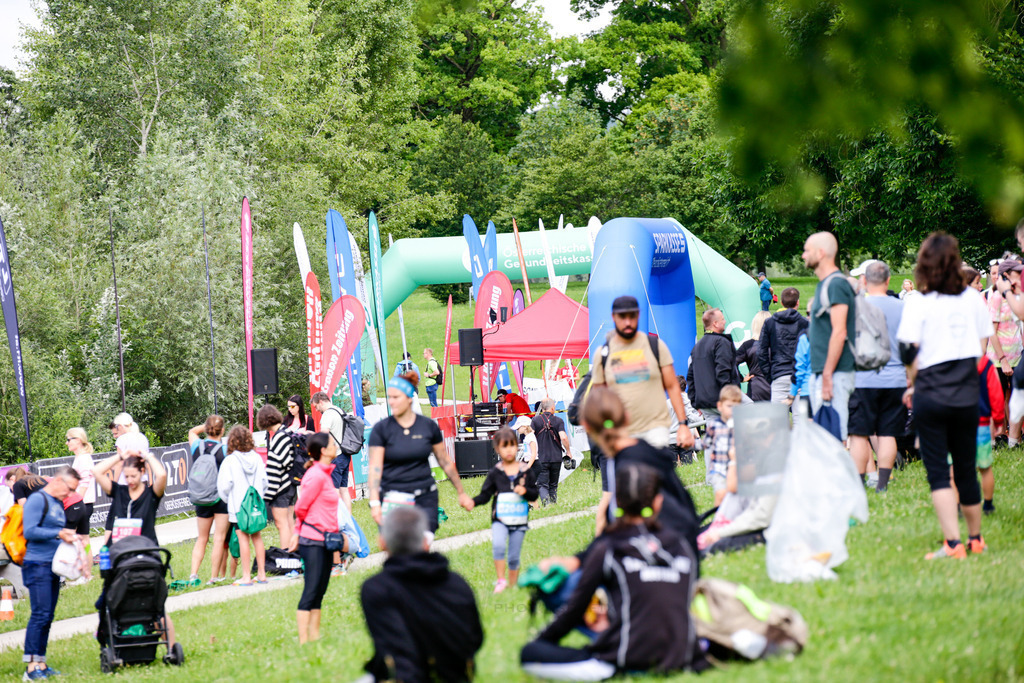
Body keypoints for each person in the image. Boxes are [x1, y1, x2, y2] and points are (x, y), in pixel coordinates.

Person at [520, 463, 704, 681]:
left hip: (629, 658)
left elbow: (575, 607)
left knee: (530, 654)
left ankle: (613, 648)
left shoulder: (609, 546)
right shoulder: (681, 544)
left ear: (617, 502)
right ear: (658, 502)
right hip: (682, 655)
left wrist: (542, 642)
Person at [897, 232, 993, 559]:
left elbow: (907, 351)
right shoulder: (972, 299)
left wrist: (914, 384)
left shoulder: (918, 303)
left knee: (938, 471)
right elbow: (982, 348)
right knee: (966, 469)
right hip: (966, 393)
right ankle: (976, 539)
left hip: (930, 392)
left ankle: (953, 544)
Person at [359, 506, 483, 683]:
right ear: (425, 542)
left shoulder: (376, 589)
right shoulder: (457, 583)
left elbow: (396, 651)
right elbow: (475, 639)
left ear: (382, 542)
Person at [582, 386, 701, 549]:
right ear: (627, 417)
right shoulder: (636, 453)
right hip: (683, 540)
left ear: (586, 426)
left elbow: (626, 532)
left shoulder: (629, 467)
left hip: (665, 550)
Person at [367, 374, 474, 540]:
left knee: (423, 544)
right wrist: (374, 503)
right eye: (389, 397)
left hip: (424, 496)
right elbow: (375, 468)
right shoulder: (381, 430)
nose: (391, 401)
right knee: (397, 550)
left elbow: (444, 461)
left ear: (409, 398)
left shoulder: (427, 426)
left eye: (396, 397)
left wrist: (461, 493)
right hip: (393, 497)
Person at [591, 295, 693, 449]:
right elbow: (599, 396)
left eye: (632, 316)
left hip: (655, 430)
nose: (627, 322)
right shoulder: (603, 353)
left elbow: (673, 386)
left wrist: (683, 425)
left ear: (638, 315)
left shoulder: (655, 346)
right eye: (622, 317)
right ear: (613, 317)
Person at [848, 261, 907, 493]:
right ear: (888, 280)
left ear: (864, 280)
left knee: (859, 435)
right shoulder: (902, 307)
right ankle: (882, 484)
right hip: (895, 378)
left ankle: (858, 484)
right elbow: (909, 345)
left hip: (862, 378)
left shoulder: (854, 307)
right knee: (887, 432)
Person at [288, 432, 350, 644]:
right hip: (312, 540)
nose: (335, 446)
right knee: (311, 589)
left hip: (326, 539)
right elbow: (301, 507)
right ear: (323, 451)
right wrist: (297, 533)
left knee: (320, 590)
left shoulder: (323, 474)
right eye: (332, 444)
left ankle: (314, 637)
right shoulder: (315, 476)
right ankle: (304, 640)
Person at [21, 466, 81, 681]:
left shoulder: (57, 503)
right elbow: (30, 531)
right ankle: (30, 668)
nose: (71, 494)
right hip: (36, 564)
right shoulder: (38, 499)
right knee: (39, 614)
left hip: (53, 566)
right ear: (58, 480)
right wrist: (58, 532)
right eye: (70, 488)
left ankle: (41, 663)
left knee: (48, 616)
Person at [467, 427, 539, 593]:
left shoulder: (525, 472)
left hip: (519, 520)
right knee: (498, 546)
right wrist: (472, 502)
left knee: (514, 557)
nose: (509, 450)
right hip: (499, 519)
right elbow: (485, 495)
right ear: (497, 449)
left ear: (518, 446)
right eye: (504, 446)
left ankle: (513, 586)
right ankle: (501, 581)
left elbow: (534, 493)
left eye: (512, 445)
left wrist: (525, 491)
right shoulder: (495, 473)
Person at [803, 231, 857, 441]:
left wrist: (827, 375)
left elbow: (840, 331)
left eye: (807, 251)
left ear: (821, 252)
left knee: (834, 437)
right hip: (824, 372)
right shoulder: (824, 285)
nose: (803, 256)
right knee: (825, 437)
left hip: (835, 373)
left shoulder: (836, 284)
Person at [217, 425, 269, 584]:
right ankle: (261, 574)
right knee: (257, 537)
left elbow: (224, 486)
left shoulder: (230, 460)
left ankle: (246, 576)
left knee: (243, 539)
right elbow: (264, 481)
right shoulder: (257, 458)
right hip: (255, 506)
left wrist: (228, 500)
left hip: (239, 506)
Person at [93, 434, 167, 544]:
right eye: (126, 476)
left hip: (146, 550)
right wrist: (121, 456)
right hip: (120, 551)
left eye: (133, 476)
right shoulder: (118, 492)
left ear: (142, 472)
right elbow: (96, 471)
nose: (130, 480)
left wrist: (147, 456)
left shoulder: (151, 495)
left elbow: (161, 475)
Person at [186, 415, 229, 585]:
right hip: (219, 498)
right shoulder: (225, 450)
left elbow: (192, 431)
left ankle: (193, 575)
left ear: (207, 428)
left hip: (201, 497)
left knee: (202, 538)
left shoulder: (197, 445)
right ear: (222, 431)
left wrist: (206, 427)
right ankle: (213, 577)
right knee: (218, 538)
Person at [986, 260, 1022, 447]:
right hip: (998, 359)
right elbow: (991, 331)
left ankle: (1014, 441)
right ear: (1006, 275)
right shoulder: (997, 297)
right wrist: (1003, 360)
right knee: (996, 401)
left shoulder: (1017, 296)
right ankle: (993, 441)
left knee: (1017, 399)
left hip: (1018, 355)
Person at [687, 307, 742, 417]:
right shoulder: (721, 342)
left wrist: (695, 402)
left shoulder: (697, 346)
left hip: (704, 403)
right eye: (722, 319)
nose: (725, 321)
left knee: (716, 433)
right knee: (748, 411)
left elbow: (690, 376)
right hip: (723, 400)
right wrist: (729, 398)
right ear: (716, 323)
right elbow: (723, 372)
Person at [759, 286, 809, 403]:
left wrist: (770, 374)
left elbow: (761, 352)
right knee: (800, 418)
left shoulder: (769, 323)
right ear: (798, 302)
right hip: (799, 375)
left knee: (777, 419)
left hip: (779, 374)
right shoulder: (804, 323)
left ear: (781, 302)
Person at [259, 405, 296, 550]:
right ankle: (296, 553)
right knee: (290, 521)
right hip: (292, 484)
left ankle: (287, 555)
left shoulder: (278, 438)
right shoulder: (288, 432)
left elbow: (275, 470)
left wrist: (268, 496)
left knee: (282, 524)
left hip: (281, 486)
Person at [312, 391, 356, 511]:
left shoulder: (327, 415)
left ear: (320, 402)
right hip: (345, 453)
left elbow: (324, 436)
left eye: (316, 406)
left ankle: (337, 519)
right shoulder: (339, 410)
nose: (316, 410)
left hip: (335, 456)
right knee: (344, 489)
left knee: (334, 490)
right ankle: (348, 519)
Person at [703, 385, 743, 506]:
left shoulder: (741, 425)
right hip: (718, 469)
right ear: (720, 406)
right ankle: (718, 518)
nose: (733, 410)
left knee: (737, 497)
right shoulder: (714, 425)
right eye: (729, 406)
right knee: (721, 494)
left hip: (737, 469)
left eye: (736, 407)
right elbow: (706, 443)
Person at [531, 399, 573, 505]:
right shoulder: (558, 421)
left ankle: (546, 505)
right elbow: (563, 437)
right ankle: (553, 505)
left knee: (542, 484)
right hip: (556, 458)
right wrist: (568, 451)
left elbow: (530, 436)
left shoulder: (535, 420)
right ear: (553, 408)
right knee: (553, 484)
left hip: (542, 458)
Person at [976, 356, 1004, 515]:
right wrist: (999, 419)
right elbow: (996, 394)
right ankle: (987, 505)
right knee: (985, 468)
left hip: (957, 423)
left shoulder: (952, 360)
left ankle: (958, 505)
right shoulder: (985, 364)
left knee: (957, 468)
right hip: (981, 424)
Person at [736, 311, 772, 401]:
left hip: (756, 390)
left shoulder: (748, 346)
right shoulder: (777, 344)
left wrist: (741, 378)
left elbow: (731, 361)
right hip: (775, 388)